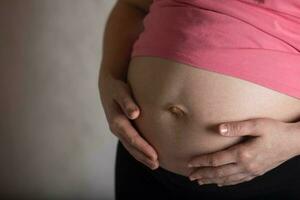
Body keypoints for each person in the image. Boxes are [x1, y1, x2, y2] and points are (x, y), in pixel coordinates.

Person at [98, 0, 300, 199]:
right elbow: (133, 6)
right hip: (141, 161)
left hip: (259, 172)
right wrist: (108, 77)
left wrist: (293, 141)